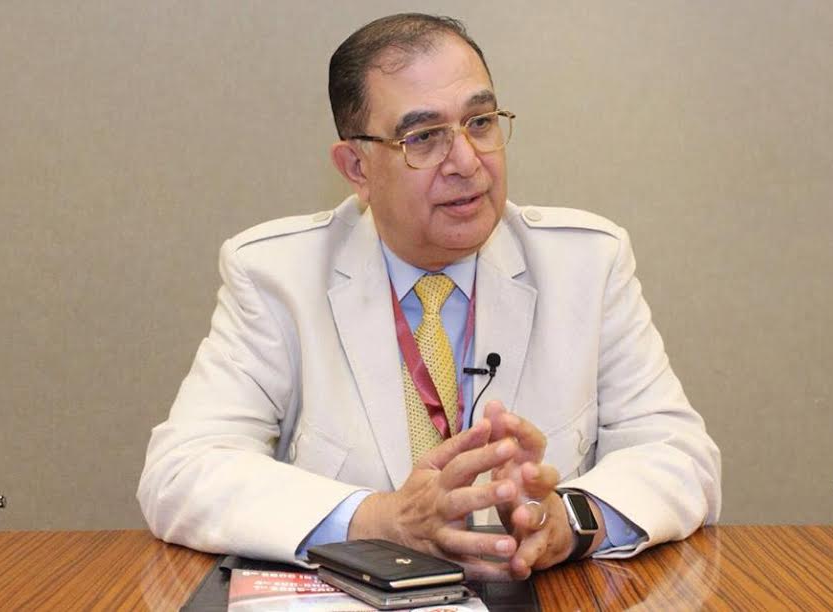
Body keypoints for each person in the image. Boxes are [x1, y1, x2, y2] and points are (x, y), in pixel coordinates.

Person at [137, 13, 720, 581]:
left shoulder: (587, 263)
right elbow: (181, 474)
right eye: (423, 137)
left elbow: (680, 457)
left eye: (480, 122)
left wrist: (567, 522)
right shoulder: (276, 276)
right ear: (357, 167)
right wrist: (382, 521)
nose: (466, 162)